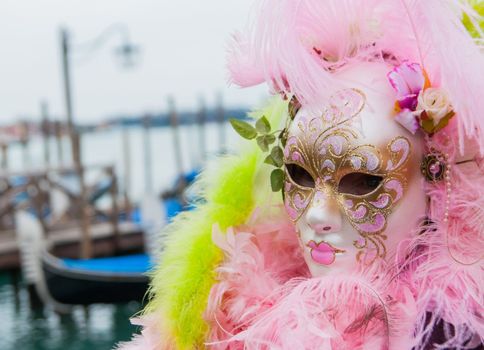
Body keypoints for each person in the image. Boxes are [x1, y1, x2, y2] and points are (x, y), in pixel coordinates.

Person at [118, 0, 483, 349]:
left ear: (434, 178)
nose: (317, 215)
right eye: (300, 175)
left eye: (362, 181)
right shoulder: (232, 323)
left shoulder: (458, 330)